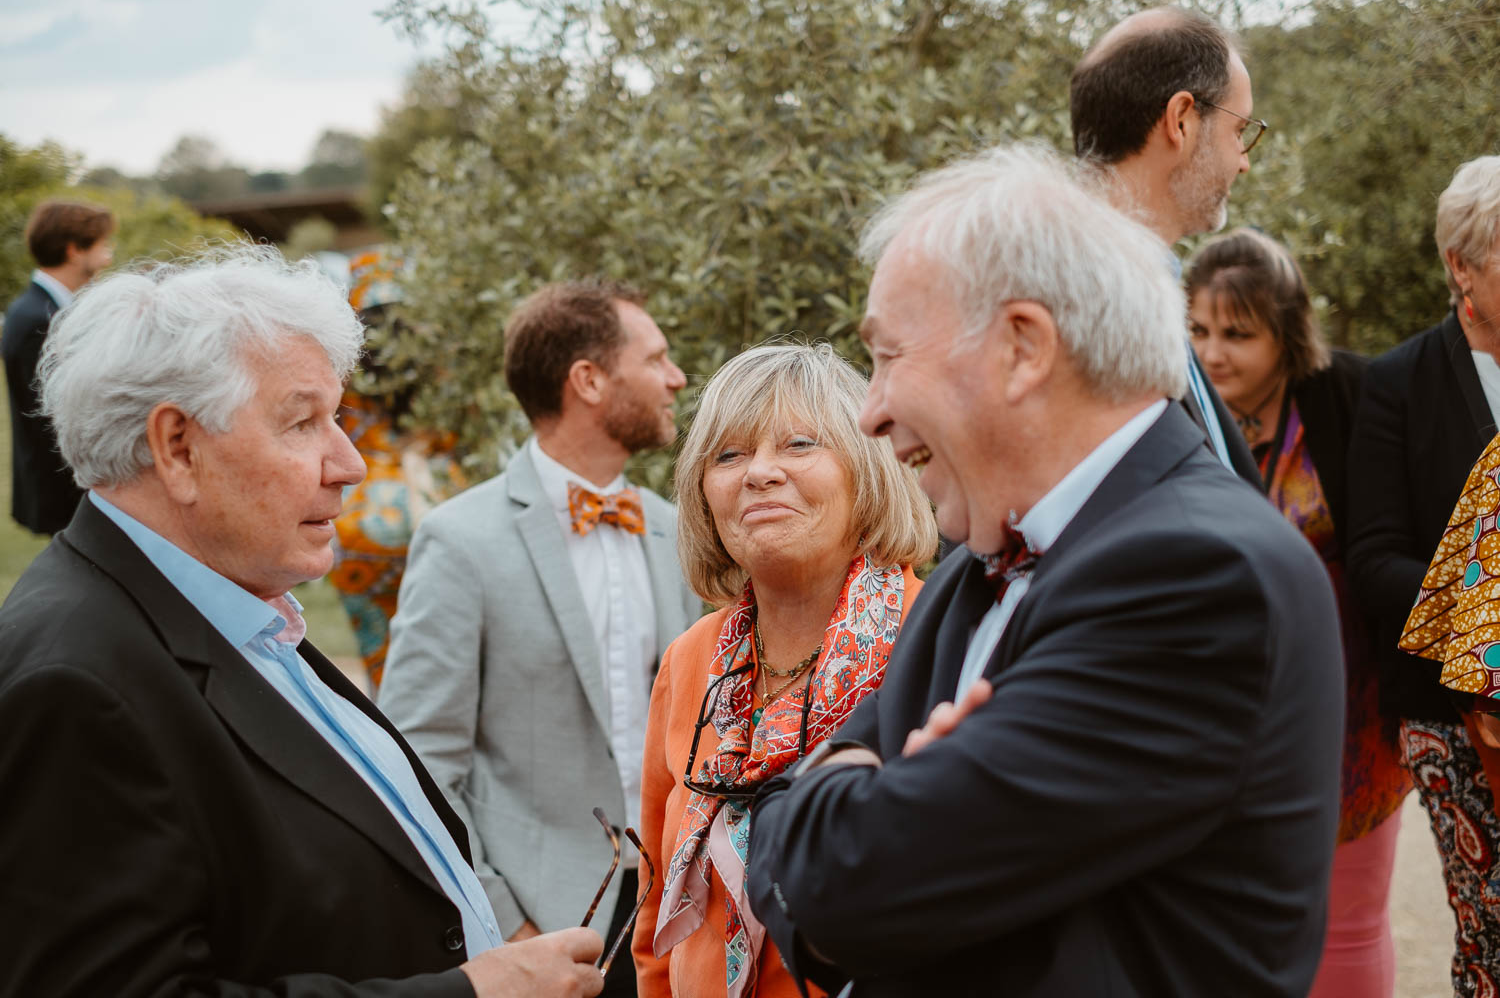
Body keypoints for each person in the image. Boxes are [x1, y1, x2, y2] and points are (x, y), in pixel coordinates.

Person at [744, 144, 1344, 997]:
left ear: (1024, 347)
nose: (869, 411)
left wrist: (850, 815)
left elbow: (846, 881)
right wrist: (862, 824)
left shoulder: (1201, 575)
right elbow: (792, 847)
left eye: (886, 356)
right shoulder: (969, 567)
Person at [0, 244, 604, 998]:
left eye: (338, 417)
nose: (348, 463)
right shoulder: (75, 686)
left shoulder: (234, 607)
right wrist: (476, 993)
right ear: (177, 447)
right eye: (302, 423)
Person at [380, 279, 700, 998]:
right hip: (540, 921)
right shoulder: (461, 541)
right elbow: (419, 760)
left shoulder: (672, 528)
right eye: (657, 358)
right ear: (588, 380)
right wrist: (504, 922)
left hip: (675, 910)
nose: (676, 378)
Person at [631, 343, 937, 998]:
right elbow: (656, 903)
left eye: (799, 444)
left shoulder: (934, 642)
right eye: (729, 454)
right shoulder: (690, 661)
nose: (760, 473)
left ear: (869, 468)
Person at [1185, 228, 1410, 998]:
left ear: (1287, 333)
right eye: (1199, 331)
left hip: (1350, 699)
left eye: (1238, 334)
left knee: (1348, 918)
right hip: (1218, 704)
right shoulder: (1171, 411)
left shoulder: (1352, 396)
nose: (1213, 354)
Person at [1346, 154, 1500, 997]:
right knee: (1492, 935)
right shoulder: (1398, 383)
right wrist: (1488, 611)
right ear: (1461, 266)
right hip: (1453, 717)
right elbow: (1374, 561)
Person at [1070, 6, 1266, 486]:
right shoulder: (1073, 302)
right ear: (1181, 119)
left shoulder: (1140, 283)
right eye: (1239, 130)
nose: (1243, 162)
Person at [327, 248, 468, 689]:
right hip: (440, 509)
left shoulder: (344, 367)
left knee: (381, 657)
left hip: (361, 522)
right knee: (444, 658)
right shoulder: (444, 367)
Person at [2, 199, 114, 535]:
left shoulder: (46, 308)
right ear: (74, 250)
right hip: (62, 490)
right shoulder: (39, 318)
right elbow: (52, 415)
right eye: (101, 243)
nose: (108, 252)